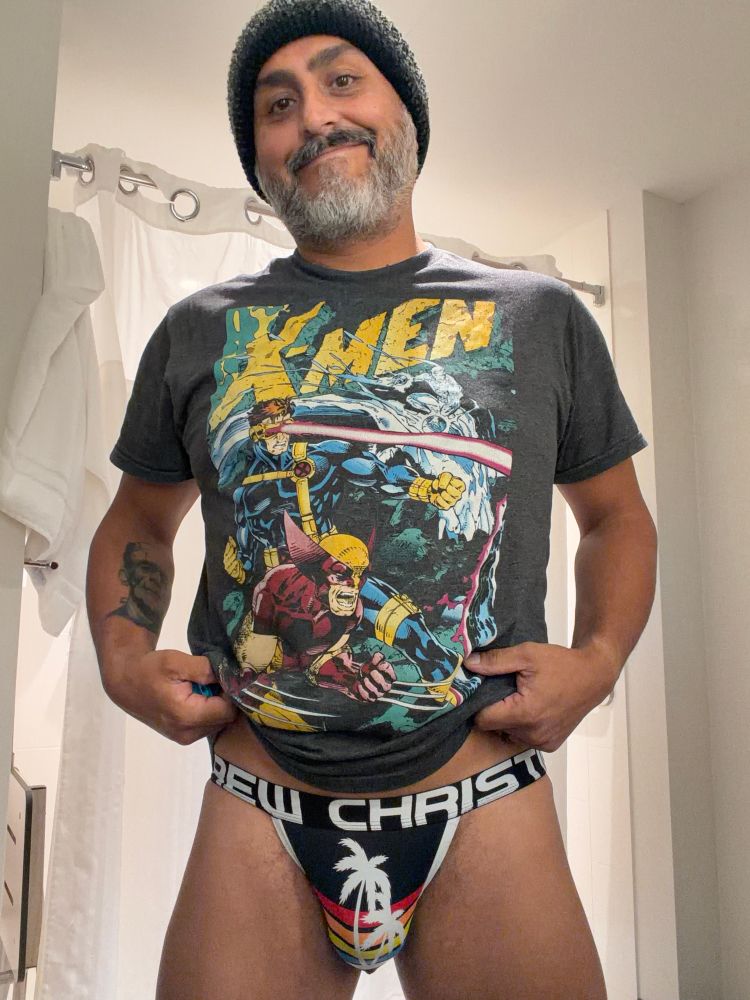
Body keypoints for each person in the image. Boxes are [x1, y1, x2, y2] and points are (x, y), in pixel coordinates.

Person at [86, 1, 658, 997]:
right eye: (277, 105)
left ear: (408, 116)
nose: (313, 117)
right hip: (260, 797)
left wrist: (600, 661)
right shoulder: (198, 329)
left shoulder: (541, 316)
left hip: (483, 793)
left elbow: (616, 517)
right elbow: (138, 519)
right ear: (260, 160)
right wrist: (123, 661)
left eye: (342, 79)